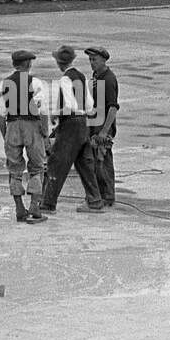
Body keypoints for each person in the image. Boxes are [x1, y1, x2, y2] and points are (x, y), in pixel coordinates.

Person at [41, 45, 104, 214]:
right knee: (84, 163)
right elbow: (90, 105)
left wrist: (55, 114)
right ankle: (95, 201)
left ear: (58, 62)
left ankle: (48, 204)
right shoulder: (81, 76)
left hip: (70, 124)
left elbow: (69, 105)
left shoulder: (65, 79)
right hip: (84, 122)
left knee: (58, 162)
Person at [0, 50, 50, 224]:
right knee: (37, 166)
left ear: (14, 64)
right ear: (28, 64)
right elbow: (41, 110)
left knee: (14, 169)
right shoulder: (35, 83)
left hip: (12, 124)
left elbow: (0, 114)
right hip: (32, 125)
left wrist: (6, 134)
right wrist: (45, 133)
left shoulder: (4, 84)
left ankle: (19, 208)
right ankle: (35, 205)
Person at [85, 46, 120, 207]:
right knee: (95, 163)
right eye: (90, 60)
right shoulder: (96, 76)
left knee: (103, 162)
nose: (92, 63)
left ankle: (107, 197)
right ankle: (99, 194)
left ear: (103, 60)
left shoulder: (108, 79)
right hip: (94, 125)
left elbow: (113, 107)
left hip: (103, 128)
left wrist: (105, 131)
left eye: (95, 60)